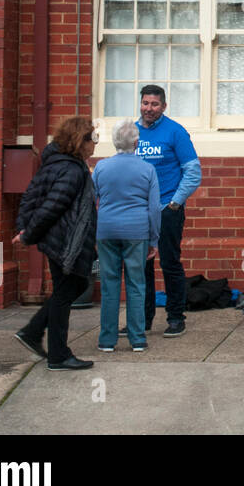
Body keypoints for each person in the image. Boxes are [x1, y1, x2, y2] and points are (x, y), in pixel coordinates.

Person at [12, 116, 98, 371]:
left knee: (69, 288)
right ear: (80, 141)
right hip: (65, 242)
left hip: (57, 240)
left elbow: (31, 196)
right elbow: (51, 207)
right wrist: (27, 234)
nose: (95, 145)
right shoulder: (71, 170)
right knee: (67, 290)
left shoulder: (54, 163)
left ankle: (34, 332)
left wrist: (24, 226)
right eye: (92, 139)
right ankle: (57, 353)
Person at [135, 84, 201, 338]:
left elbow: (193, 172)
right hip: (139, 211)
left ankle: (175, 317)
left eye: (154, 104)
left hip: (167, 209)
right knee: (141, 267)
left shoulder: (175, 132)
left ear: (163, 106)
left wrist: (175, 203)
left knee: (170, 264)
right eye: (145, 103)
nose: (148, 108)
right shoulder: (133, 131)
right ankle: (141, 320)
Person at [93, 120, 161, 352]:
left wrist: (94, 231)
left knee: (109, 285)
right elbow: (154, 208)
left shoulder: (101, 168)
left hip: (107, 230)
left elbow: (91, 200)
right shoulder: (147, 169)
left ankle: (107, 339)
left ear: (114, 142)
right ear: (136, 142)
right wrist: (154, 239)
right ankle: (137, 338)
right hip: (137, 231)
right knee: (136, 284)